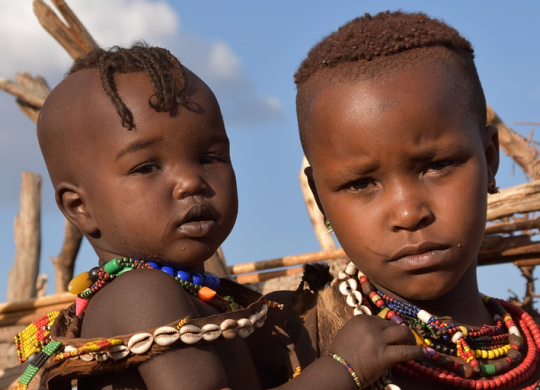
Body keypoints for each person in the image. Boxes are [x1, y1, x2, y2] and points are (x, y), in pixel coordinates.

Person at [12, 43, 423, 390]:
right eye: (147, 167)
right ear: (79, 208)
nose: (191, 181)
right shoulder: (141, 293)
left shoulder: (200, 298)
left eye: (210, 157)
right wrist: (343, 368)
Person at [256, 10, 540, 390]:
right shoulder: (290, 350)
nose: (408, 213)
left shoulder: (529, 347)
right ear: (320, 198)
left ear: (490, 160)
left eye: (438, 165)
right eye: (360, 184)